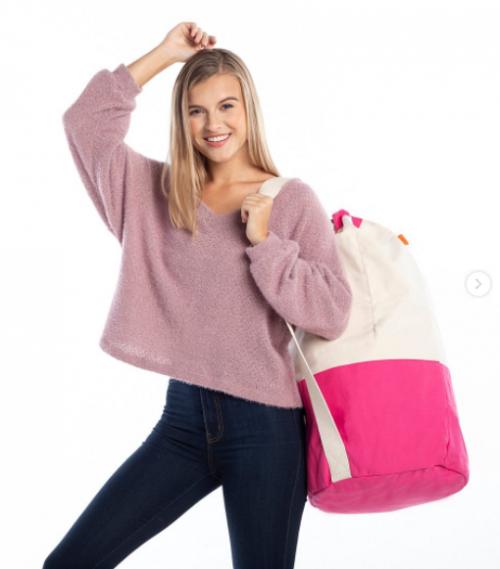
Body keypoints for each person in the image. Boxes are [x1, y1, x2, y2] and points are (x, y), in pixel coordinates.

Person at [43, 21, 352, 569]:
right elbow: (84, 123)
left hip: (266, 429)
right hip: (183, 422)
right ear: (182, 119)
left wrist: (267, 246)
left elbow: (332, 312)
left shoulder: (290, 200)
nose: (214, 124)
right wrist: (165, 54)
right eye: (197, 110)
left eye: (227, 106)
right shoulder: (157, 195)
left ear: (248, 110)